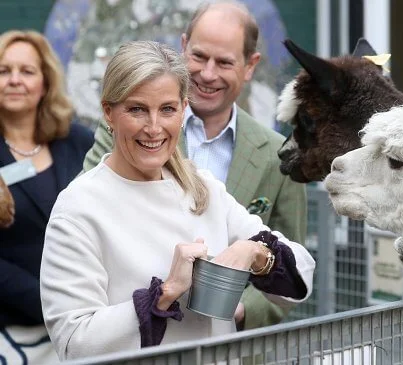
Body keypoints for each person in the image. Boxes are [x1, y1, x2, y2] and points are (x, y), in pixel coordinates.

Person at [40, 40, 315, 361]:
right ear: (108, 113)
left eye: (167, 109)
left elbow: (302, 277)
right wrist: (165, 294)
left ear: (184, 110)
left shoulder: (202, 188)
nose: (154, 128)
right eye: (137, 109)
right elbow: (74, 341)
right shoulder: (79, 207)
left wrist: (255, 252)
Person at [0, 30, 94, 364]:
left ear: (46, 82)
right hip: (13, 330)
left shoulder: (77, 140)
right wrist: (48, 301)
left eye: (26, 71)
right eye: (3, 71)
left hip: (84, 324)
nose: (14, 80)